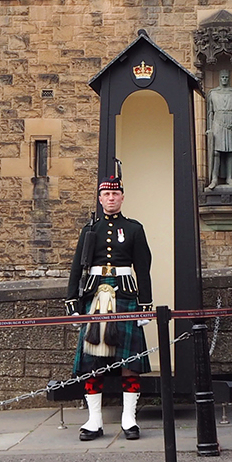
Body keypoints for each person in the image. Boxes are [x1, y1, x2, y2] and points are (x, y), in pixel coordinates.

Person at [65, 175, 154, 441]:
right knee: (92, 360)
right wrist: (74, 305)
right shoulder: (89, 229)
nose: (111, 199)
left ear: (122, 197)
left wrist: (145, 306)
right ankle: (94, 420)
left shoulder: (135, 229)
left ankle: (129, 419)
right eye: (106, 195)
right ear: (101, 198)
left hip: (125, 293)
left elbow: (143, 268)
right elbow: (76, 269)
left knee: (130, 362)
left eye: (115, 195)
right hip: (95, 294)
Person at [205, 70, 232, 188]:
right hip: (217, 123)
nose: (224, 79)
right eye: (222, 77)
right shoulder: (213, 93)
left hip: (231, 124)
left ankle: (229, 178)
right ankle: (214, 178)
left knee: (231, 152)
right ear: (219, 78)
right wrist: (209, 128)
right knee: (216, 152)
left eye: (226, 77)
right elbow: (209, 113)